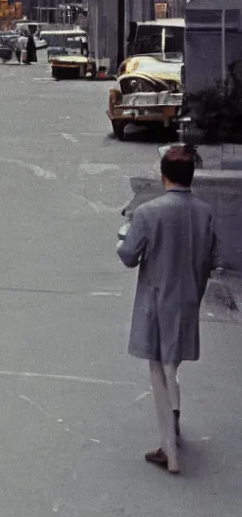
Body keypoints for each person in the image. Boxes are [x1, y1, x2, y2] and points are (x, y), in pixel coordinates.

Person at [117, 144, 218, 475]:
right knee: (172, 367)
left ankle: (169, 450)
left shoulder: (149, 213)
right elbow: (214, 258)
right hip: (188, 299)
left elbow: (129, 255)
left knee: (158, 371)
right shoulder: (205, 212)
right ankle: (174, 423)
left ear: (164, 177)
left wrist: (122, 239)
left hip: (157, 301)